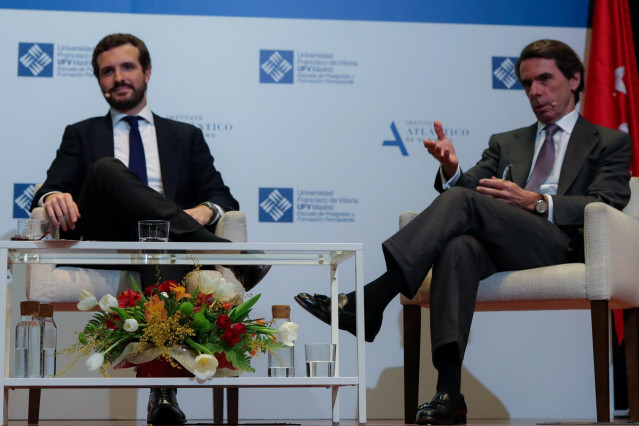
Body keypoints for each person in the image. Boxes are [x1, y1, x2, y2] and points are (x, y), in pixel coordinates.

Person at [295, 39, 632, 425]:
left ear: (574, 79)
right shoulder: (507, 142)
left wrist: (536, 201)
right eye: (526, 84)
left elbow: (606, 200)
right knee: (458, 247)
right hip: (501, 241)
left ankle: (373, 297)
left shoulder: (609, 141)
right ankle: (449, 393)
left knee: (462, 203)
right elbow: (468, 186)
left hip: (559, 242)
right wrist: (452, 170)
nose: (535, 93)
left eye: (545, 80)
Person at [31, 33, 269, 425]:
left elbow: (222, 197)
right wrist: (52, 196)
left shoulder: (185, 136)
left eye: (127, 67)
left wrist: (203, 211)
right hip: (104, 233)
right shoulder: (81, 133)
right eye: (107, 72)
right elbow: (51, 185)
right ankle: (227, 253)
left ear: (147, 72)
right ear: (99, 81)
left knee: (158, 242)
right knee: (107, 168)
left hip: (164, 241)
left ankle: (163, 396)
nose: (118, 77)